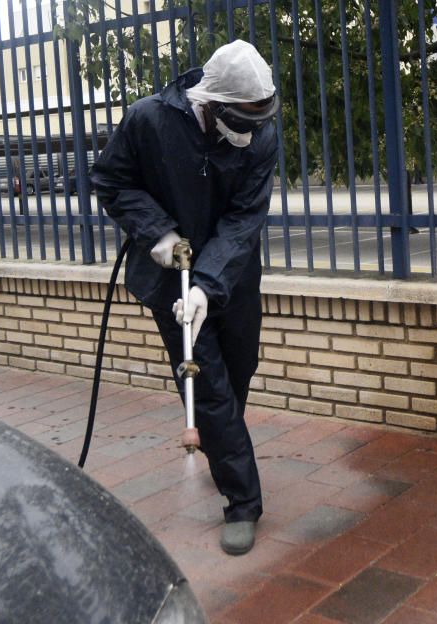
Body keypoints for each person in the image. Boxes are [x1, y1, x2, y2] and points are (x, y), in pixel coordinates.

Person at [90, 39, 279, 556]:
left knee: (240, 367)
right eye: (240, 119)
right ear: (210, 103)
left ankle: (222, 450)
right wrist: (158, 234)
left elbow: (244, 220)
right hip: (168, 278)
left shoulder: (259, 135)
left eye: (257, 120)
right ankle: (243, 503)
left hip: (232, 277)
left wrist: (208, 283)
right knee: (212, 388)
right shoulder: (147, 120)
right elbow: (110, 180)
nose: (249, 131)